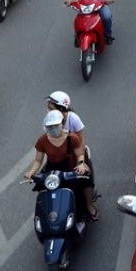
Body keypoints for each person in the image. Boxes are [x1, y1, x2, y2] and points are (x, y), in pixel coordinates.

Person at [24, 110, 98, 220]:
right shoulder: (42, 140)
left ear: (62, 124)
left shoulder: (72, 138)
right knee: (43, 191)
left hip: (70, 169)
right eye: (50, 127)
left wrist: (81, 164)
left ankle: (88, 205)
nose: (53, 129)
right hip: (52, 170)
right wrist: (31, 172)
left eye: (56, 125)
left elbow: (79, 155)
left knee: (85, 180)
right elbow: (38, 160)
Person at [45, 91, 100, 219]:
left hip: (76, 155)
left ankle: (88, 205)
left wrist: (80, 162)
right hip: (58, 157)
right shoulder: (48, 120)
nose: (48, 110)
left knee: (85, 178)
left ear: (61, 108)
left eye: (51, 107)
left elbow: (81, 140)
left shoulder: (73, 118)